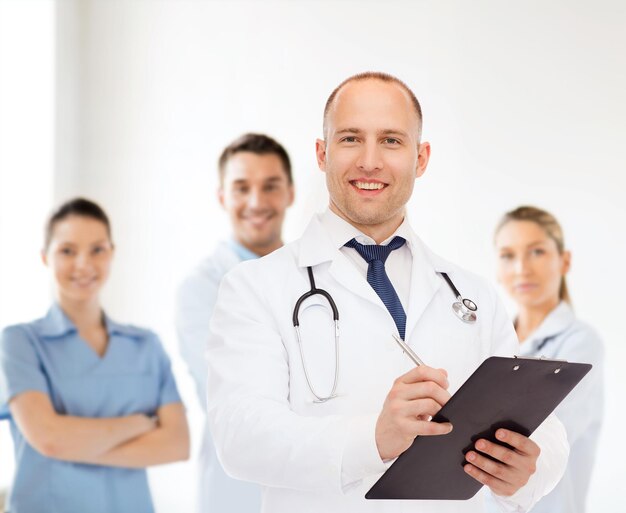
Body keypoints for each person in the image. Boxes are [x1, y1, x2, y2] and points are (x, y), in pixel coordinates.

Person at [205, 72, 568, 513]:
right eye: (351, 139)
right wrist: (373, 439)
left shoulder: (473, 295)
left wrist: (529, 469)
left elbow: (543, 425)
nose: (370, 161)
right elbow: (240, 438)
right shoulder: (254, 288)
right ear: (322, 153)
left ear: (421, 157)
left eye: (392, 141)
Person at [0, 198, 189, 513]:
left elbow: (177, 444)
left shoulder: (146, 345)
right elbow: (48, 439)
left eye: (97, 249)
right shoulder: (20, 342)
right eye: (67, 251)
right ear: (45, 257)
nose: (84, 264)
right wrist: (138, 425)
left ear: (112, 253)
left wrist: (71, 443)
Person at [175, 133, 294, 512]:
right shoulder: (200, 289)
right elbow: (236, 393)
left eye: (270, 186)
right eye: (242, 188)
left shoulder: (318, 279)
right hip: (236, 495)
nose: (256, 202)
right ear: (222, 197)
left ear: (290, 193)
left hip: (312, 489)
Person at [491, 205, 604, 513]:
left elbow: (543, 436)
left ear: (564, 261)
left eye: (537, 252)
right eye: (507, 255)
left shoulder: (580, 343)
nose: (521, 269)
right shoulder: (494, 341)